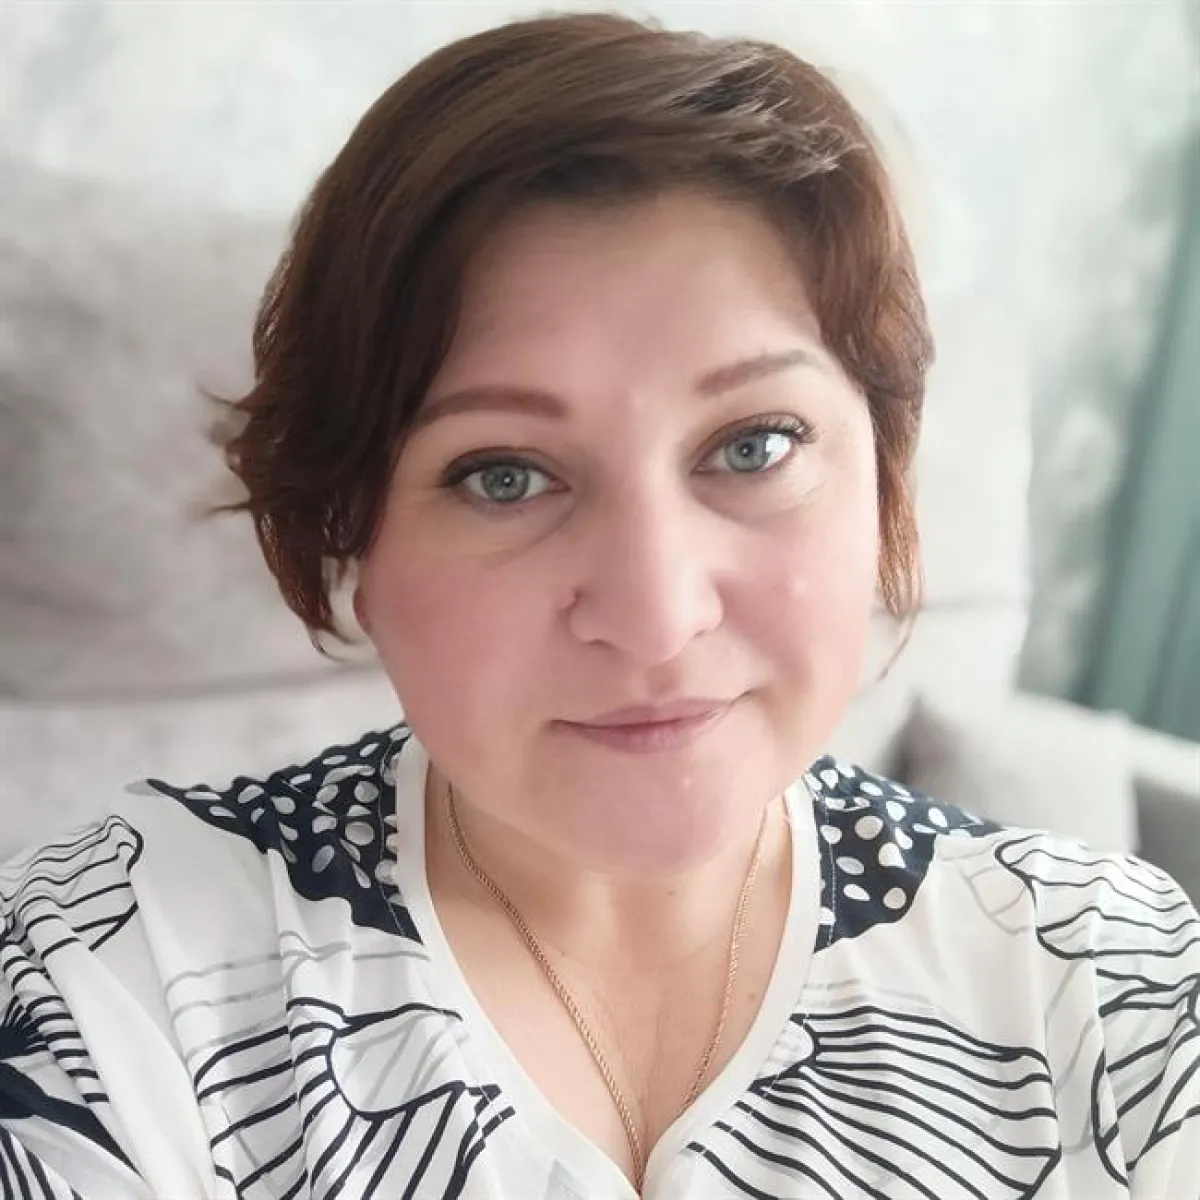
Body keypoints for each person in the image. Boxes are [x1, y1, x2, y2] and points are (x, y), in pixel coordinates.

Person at [1, 12, 1197, 1200]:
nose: (657, 617)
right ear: (348, 533)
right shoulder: (107, 979)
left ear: (884, 479)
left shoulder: (1110, 981)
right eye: (503, 475)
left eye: (754, 444)